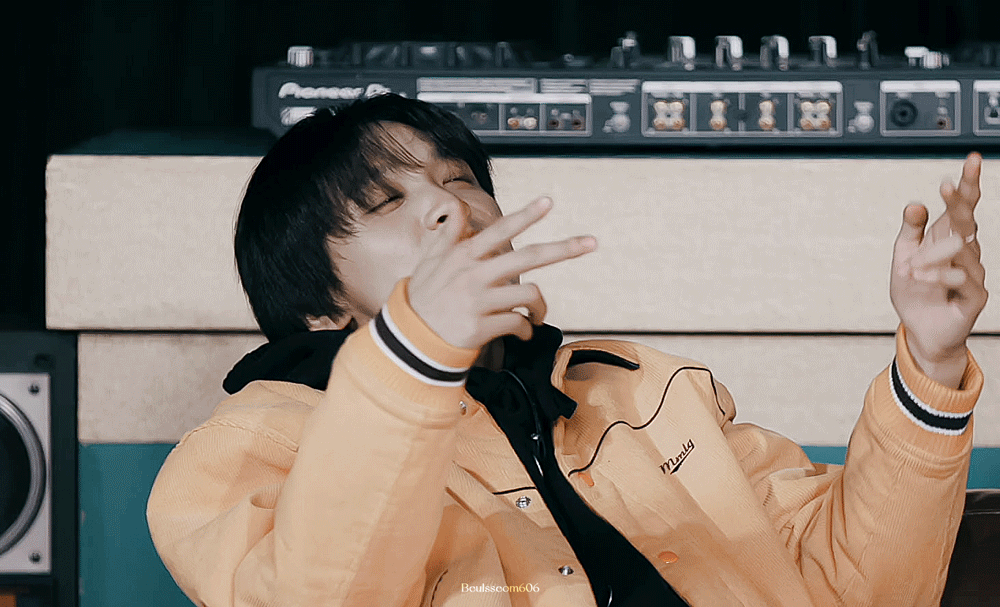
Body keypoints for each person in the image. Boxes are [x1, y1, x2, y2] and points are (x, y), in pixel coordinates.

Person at [146, 93, 987, 606]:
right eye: (385, 201)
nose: (450, 207)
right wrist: (415, 352)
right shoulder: (241, 450)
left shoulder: (647, 389)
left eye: (459, 178)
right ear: (319, 306)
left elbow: (859, 586)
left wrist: (932, 362)